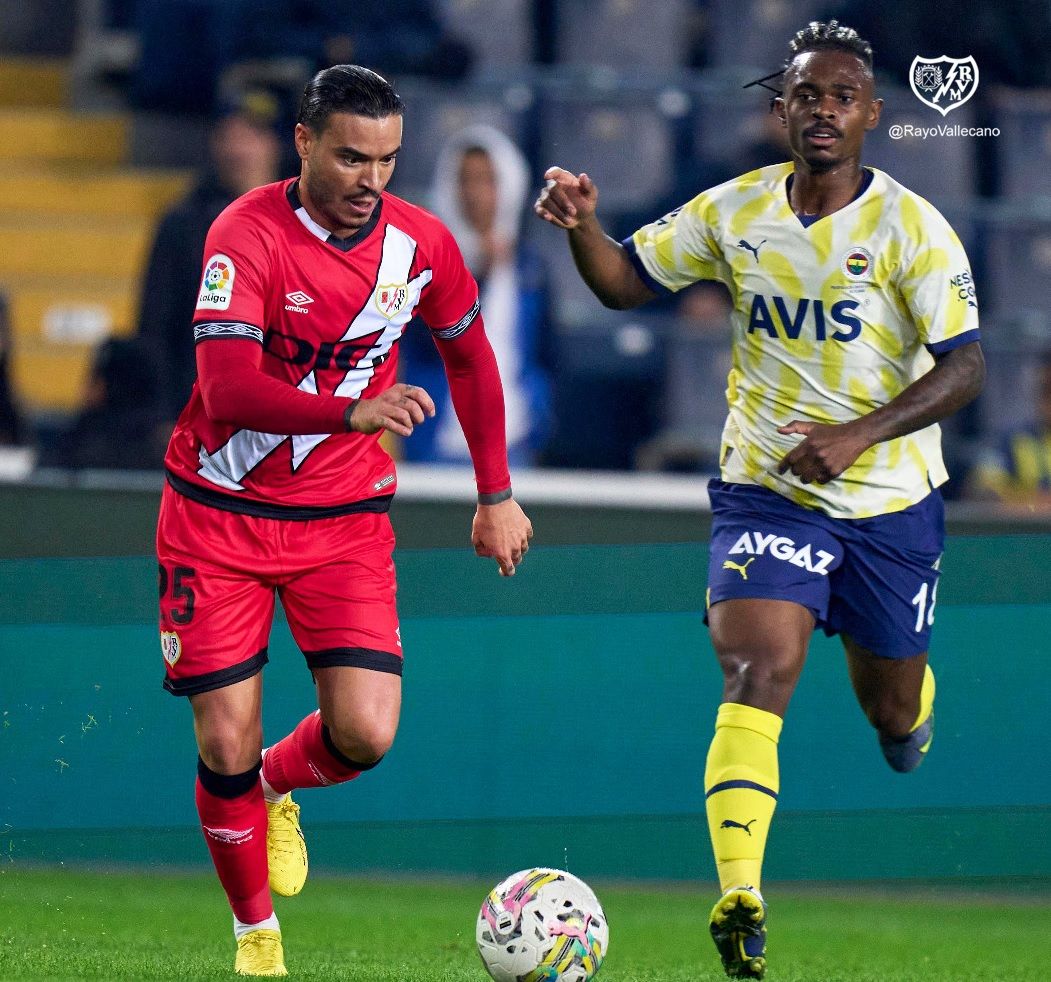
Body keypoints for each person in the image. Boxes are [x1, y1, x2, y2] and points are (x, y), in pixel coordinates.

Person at [535, 20, 984, 980]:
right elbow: (622, 285)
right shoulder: (735, 211)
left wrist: (860, 433)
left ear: (868, 115)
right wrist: (584, 230)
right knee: (755, 671)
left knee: (890, 712)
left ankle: (908, 711)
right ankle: (739, 894)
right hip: (767, 492)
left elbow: (968, 366)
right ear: (779, 109)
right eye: (803, 94)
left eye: (840, 97)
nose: (820, 110)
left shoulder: (913, 229)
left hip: (888, 505)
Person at [156, 65, 532, 977]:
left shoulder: (422, 245)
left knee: (364, 733)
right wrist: (349, 412)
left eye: (389, 159)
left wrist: (495, 492)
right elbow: (225, 387)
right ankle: (258, 940)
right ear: (304, 143)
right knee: (221, 738)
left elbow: (474, 362)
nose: (372, 178)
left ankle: (276, 788)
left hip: (343, 522)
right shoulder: (242, 235)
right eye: (353, 157)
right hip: (218, 512)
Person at [400, 125, 553, 467]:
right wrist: (475, 273)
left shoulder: (530, 269)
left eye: (487, 180)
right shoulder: (422, 260)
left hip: (513, 446)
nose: (474, 193)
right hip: (437, 444)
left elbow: (545, 354)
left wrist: (538, 415)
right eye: (465, 179)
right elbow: (425, 342)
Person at [138, 90, 283, 428]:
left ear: (278, 143)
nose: (238, 150)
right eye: (230, 137)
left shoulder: (311, 221)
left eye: (250, 137)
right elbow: (155, 325)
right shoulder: (182, 224)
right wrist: (161, 415)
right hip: (204, 414)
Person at [968, 354, 1051, 513]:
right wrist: (1037, 504)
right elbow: (983, 493)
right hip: (1027, 535)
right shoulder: (1012, 441)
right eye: (1047, 390)